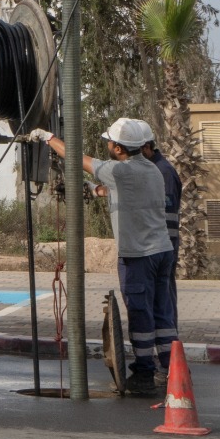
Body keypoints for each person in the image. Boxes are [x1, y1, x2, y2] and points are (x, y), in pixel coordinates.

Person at [33, 118, 172, 396]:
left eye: (110, 141)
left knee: (140, 313)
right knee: (161, 312)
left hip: (138, 256)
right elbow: (125, 193)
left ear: (119, 149)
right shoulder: (152, 170)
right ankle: (172, 367)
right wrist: (95, 191)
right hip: (162, 251)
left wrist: (48, 138)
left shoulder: (120, 171)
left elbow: (77, 158)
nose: (107, 145)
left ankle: (144, 373)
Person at [140, 128, 182, 369]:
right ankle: (167, 357)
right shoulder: (155, 169)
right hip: (162, 247)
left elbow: (165, 216)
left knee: (164, 303)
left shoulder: (162, 172)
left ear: (147, 148)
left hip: (162, 248)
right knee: (162, 301)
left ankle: (170, 360)